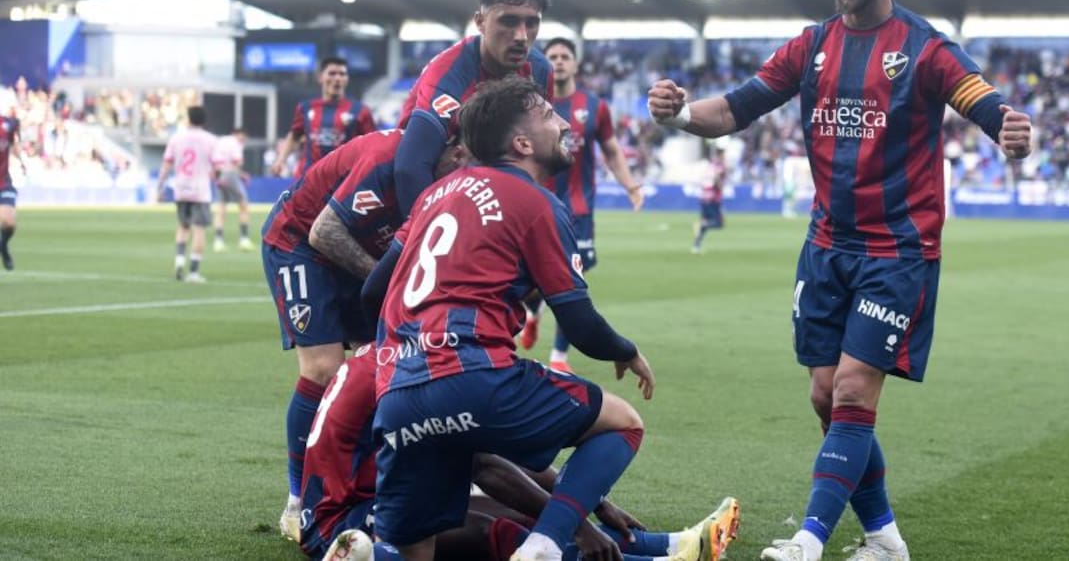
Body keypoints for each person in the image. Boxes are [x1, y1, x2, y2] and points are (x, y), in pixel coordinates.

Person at [647, 0, 1033, 561]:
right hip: (826, 247)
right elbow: (735, 107)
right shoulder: (811, 45)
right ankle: (884, 537)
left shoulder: (925, 46)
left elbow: (979, 97)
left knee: (854, 389)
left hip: (896, 252)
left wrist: (1006, 128)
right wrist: (680, 111)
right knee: (827, 396)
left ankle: (809, 538)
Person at [371, 77, 683, 561]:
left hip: (397, 396)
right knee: (623, 422)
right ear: (521, 143)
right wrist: (626, 350)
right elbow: (579, 323)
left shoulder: (434, 195)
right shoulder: (536, 202)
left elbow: (375, 289)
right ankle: (544, 544)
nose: (562, 122)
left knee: (416, 550)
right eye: (547, 115)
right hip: (475, 375)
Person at [301, 343, 739, 561]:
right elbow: (486, 465)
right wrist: (581, 525)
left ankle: (673, 545)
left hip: (359, 499)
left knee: (533, 516)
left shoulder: (395, 350)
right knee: (493, 530)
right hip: (345, 517)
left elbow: (502, 461)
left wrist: (594, 505)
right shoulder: (421, 368)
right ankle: (365, 555)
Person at [261, 127, 469, 542]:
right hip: (300, 243)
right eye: (462, 156)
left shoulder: (442, 174)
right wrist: (388, 281)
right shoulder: (385, 159)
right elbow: (324, 232)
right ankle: (297, 502)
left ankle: (363, 483)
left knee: (381, 362)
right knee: (323, 370)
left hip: (359, 255)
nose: (466, 167)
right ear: (447, 145)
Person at [518, 37, 644, 372]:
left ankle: (559, 357)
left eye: (565, 56)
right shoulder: (528, 104)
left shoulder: (594, 105)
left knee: (572, 279)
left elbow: (612, 150)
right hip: (534, 207)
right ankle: (533, 312)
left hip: (578, 210)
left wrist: (630, 185)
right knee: (530, 278)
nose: (558, 61)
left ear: (575, 64)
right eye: (553, 56)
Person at [392, 0, 553, 225]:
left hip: (490, 201)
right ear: (480, 21)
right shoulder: (446, 77)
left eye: (532, 23)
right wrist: (430, 240)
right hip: (428, 202)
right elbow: (410, 169)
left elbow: (539, 154)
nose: (522, 36)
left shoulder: (541, 69)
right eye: (509, 21)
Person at [270, 56, 377, 179]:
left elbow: (372, 144)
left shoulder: (361, 111)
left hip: (343, 182)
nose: (337, 78)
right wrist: (280, 160)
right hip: (307, 178)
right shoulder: (305, 108)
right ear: (320, 78)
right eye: (332, 73)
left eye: (342, 74)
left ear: (347, 79)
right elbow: (294, 135)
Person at [156, 105, 218, 283]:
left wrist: (160, 187)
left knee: (183, 227)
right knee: (199, 230)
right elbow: (217, 167)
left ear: (188, 119)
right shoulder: (211, 140)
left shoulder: (176, 139)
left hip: (181, 188)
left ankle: (179, 263)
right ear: (204, 120)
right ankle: (193, 271)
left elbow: (167, 164)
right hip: (200, 190)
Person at [212, 127, 253, 252]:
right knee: (243, 205)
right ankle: (244, 239)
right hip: (230, 174)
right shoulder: (235, 144)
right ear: (238, 134)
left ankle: (218, 241)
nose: (243, 141)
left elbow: (215, 161)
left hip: (219, 175)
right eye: (243, 138)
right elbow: (237, 163)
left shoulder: (220, 141)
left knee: (221, 207)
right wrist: (242, 175)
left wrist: (218, 177)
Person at [0, 110, 27, 271]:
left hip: (3, 181)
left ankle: (3, 246)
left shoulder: (6, 125)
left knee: (9, 222)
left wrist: (21, 160)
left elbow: (13, 142)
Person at [690, 146, 726, 254]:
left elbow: (703, 181)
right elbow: (716, 180)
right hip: (712, 198)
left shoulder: (709, 166)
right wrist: (720, 187)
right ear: (720, 155)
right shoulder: (719, 167)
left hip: (704, 197)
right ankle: (701, 225)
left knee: (706, 221)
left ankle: (696, 245)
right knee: (718, 223)